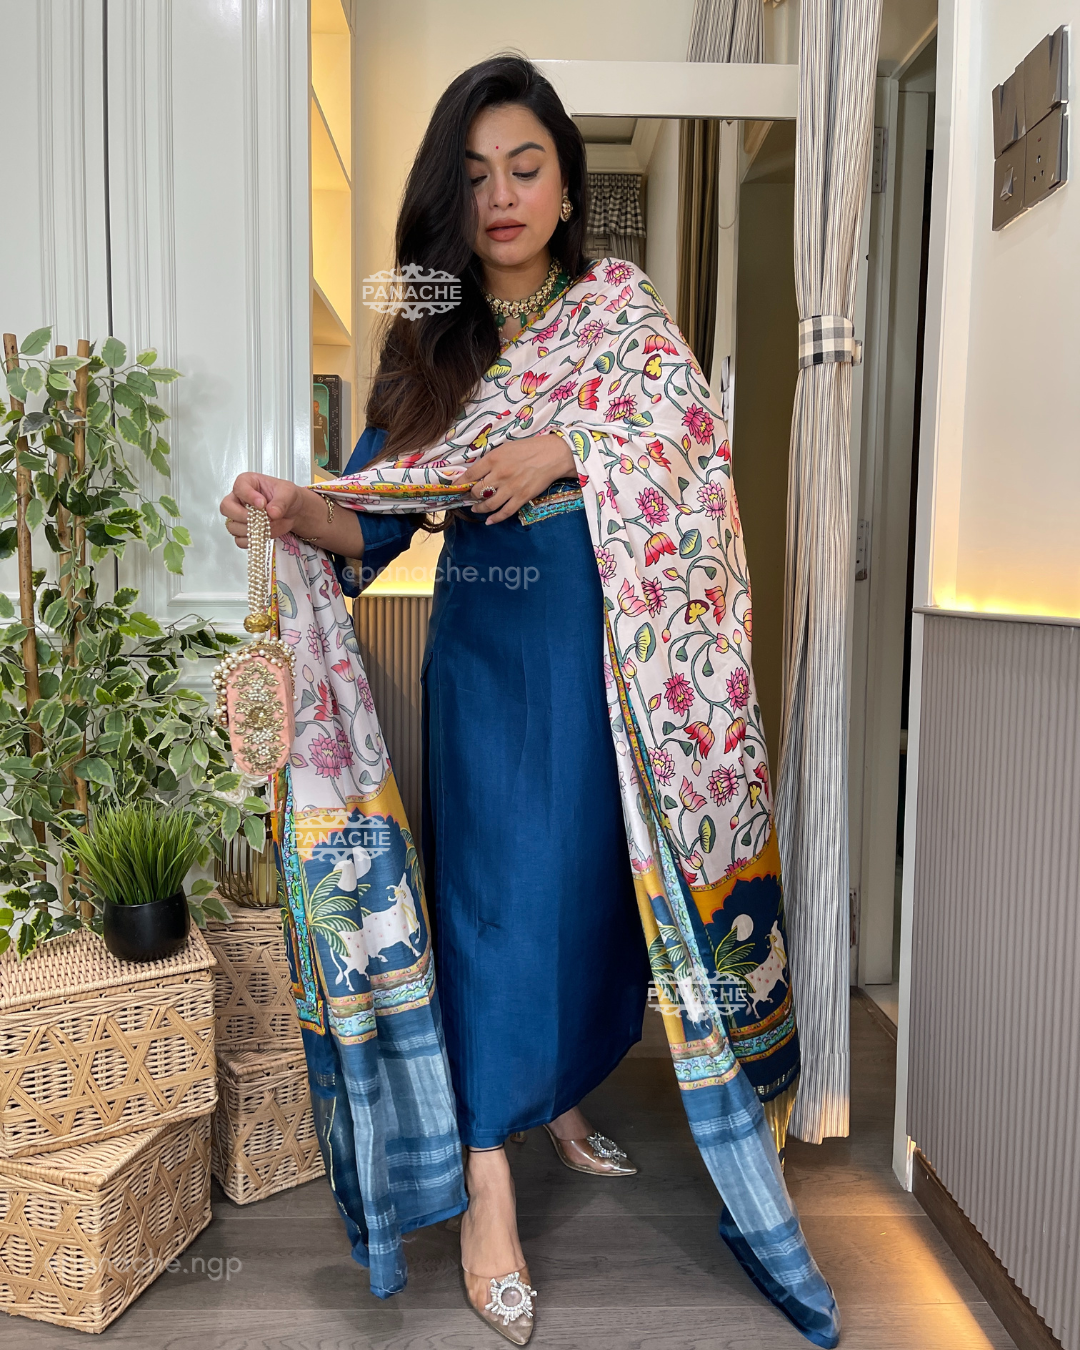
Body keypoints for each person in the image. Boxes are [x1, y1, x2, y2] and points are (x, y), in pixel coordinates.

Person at [221, 54, 838, 1350]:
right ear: (451, 197)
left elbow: (689, 445)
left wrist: (566, 444)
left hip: (615, 666)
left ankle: (556, 1088)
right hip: (491, 657)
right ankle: (487, 1173)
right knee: (498, 906)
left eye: (525, 168)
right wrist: (291, 507)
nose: (500, 196)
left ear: (565, 189)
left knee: (589, 899)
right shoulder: (430, 341)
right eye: (474, 175)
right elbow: (370, 519)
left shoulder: (620, 313)